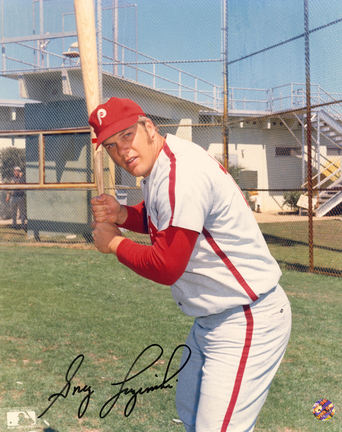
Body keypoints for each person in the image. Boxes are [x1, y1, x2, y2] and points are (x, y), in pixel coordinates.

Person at [89, 97, 292, 432]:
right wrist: (122, 215)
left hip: (248, 318)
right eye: (111, 145)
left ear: (149, 127)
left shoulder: (182, 173)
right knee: (192, 410)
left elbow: (167, 265)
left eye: (127, 135)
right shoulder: (163, 164)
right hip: (214, 319)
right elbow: (164, 221)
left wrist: (114, 243)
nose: (122, 151)